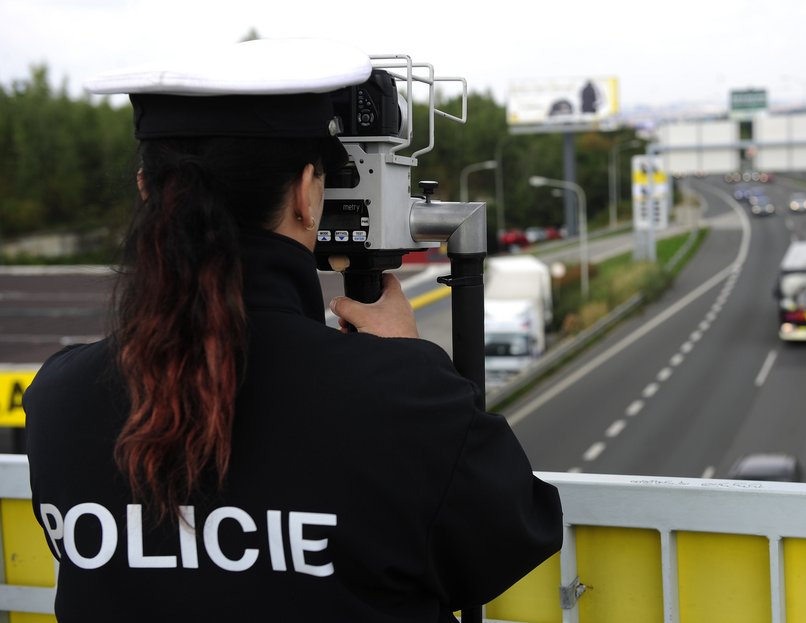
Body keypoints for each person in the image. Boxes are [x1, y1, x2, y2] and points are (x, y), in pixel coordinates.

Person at [24, 39, 562, 622]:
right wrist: (408, 361)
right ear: (307, 194)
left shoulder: (59, 400)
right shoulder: (401, 401)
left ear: (146, 191)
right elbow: (515, 533)